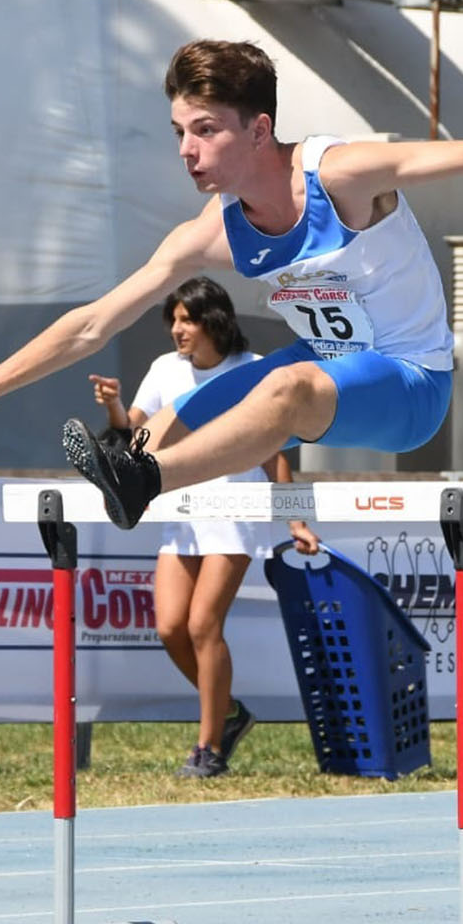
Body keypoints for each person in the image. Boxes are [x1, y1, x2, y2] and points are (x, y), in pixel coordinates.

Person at [0, 38, 463, 527]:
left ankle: (144, 482)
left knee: (284, 386)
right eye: (178, 133)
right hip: (330, 369)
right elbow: (94, 323)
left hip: (411, 384)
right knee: (182, 410)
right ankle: (135, 470)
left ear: (258, 129)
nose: (187, 152)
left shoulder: (342, 175)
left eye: (205, 131)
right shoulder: (211, 234)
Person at [92, 277, 320, 778]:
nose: (177, 329)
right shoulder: (163, 371)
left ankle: (208, 747)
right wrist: (113, 406)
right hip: (180, 518)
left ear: (213, 321)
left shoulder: (256, 372)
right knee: (170, 627)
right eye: (173, 320)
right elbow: (135, 433)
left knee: (202, 626)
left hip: (235, 517)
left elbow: (276, 458)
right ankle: (230, 712)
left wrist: (296, 520)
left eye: (187, 319)